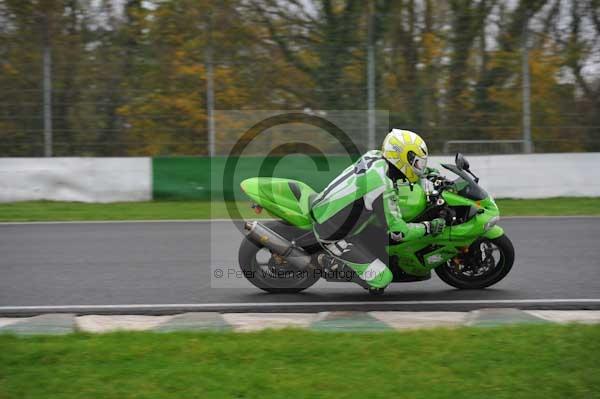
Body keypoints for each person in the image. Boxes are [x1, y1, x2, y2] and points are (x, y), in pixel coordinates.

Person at [310, 128, 446, 293]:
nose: (419, 167)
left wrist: (428, 173)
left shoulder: (375, 156)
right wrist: (429, 227)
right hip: (332, 232)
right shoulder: (382, 185)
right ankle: (326, 261)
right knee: (381, 279)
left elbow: (398, 179)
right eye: (417, 163)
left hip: (330, 207)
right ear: (402, 158)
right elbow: (400, 232)